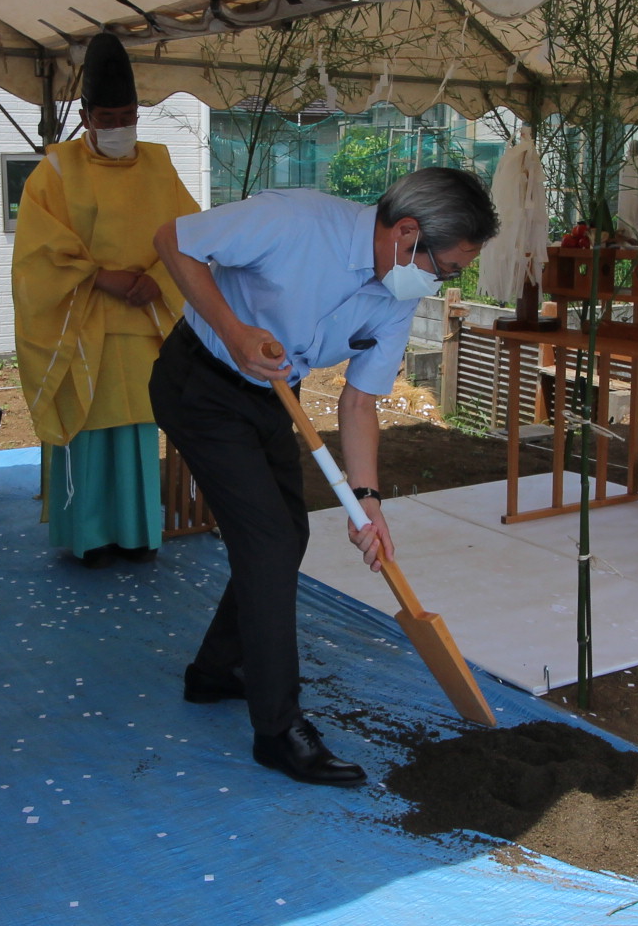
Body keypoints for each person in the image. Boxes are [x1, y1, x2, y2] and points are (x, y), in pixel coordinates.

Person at [151, 168, 496, 785]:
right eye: (444, 269)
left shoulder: (399, 292)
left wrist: (368, 502)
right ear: (408, 234)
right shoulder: (296, 222)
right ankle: (278, 728)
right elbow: (173, 239)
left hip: (271, 394)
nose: (440, 282)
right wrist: (235, 332)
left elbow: (360, 403)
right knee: (269, 542)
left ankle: (214, 671)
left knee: (289, 530)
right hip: (199, 379)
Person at [13, 33, 200, 565]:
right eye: (108, 118)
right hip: (81, 324)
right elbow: (37, 250)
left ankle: (140, 535)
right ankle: (87, 537)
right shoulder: (55, 170)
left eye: (127, 117)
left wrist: (157, 279)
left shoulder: (159, 166)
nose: (118, 128)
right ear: (86, 114)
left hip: (144, 324)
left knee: (139, 431)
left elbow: (189, 233)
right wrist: (100, 277)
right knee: (88, 432)